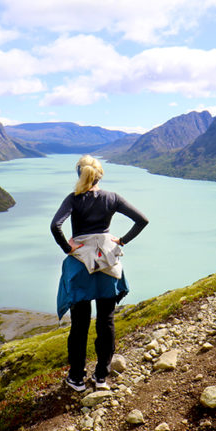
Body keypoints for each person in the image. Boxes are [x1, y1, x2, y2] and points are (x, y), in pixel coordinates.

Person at [51, 155, 148, 392]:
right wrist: (122, 241)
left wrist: (68, 247)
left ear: (79, 174)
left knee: (80, 324)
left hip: (81, 266)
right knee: (106, 320)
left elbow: (56, 225)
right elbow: (142, 220)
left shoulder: (74, 199)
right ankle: (101, 376)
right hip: (106, 263)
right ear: (100, 174)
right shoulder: (112, 198)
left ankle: (76, 378)